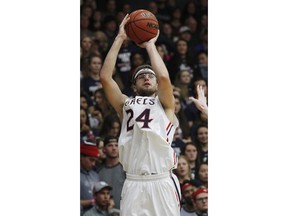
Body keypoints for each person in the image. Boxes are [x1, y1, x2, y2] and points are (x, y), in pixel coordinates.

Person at [100, 14, 181, 216]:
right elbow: (105, 77)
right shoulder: (125, 104)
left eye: (150, 75)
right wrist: (120, 38)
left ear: (155, 84)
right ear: (134, 86)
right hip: (133, 181)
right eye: (141, 76)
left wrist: (150, 44)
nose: (147, 77)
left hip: (162, 180)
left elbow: (163, 76)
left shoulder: (165, 104)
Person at [97, 136, 126, 209]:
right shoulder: (98, 171)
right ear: (104, 149)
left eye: (116, 145)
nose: (114, 148)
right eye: (110, 145)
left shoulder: (126, 169)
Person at [80, 143, 100, 215]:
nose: (93, 164)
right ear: (81, 157)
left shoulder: (95, 175)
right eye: (91, 160)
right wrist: (91, 202)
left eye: (95, 161)